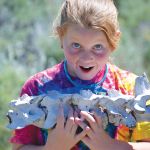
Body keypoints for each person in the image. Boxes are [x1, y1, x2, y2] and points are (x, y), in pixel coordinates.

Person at [10, 0, 150, 149]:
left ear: (113, 41)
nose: (86, 57)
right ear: (61, 37)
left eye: (97, 46)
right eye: (76, 45)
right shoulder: (37, 87)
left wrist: (111, 146)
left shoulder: (131, 88)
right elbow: (19, 147)